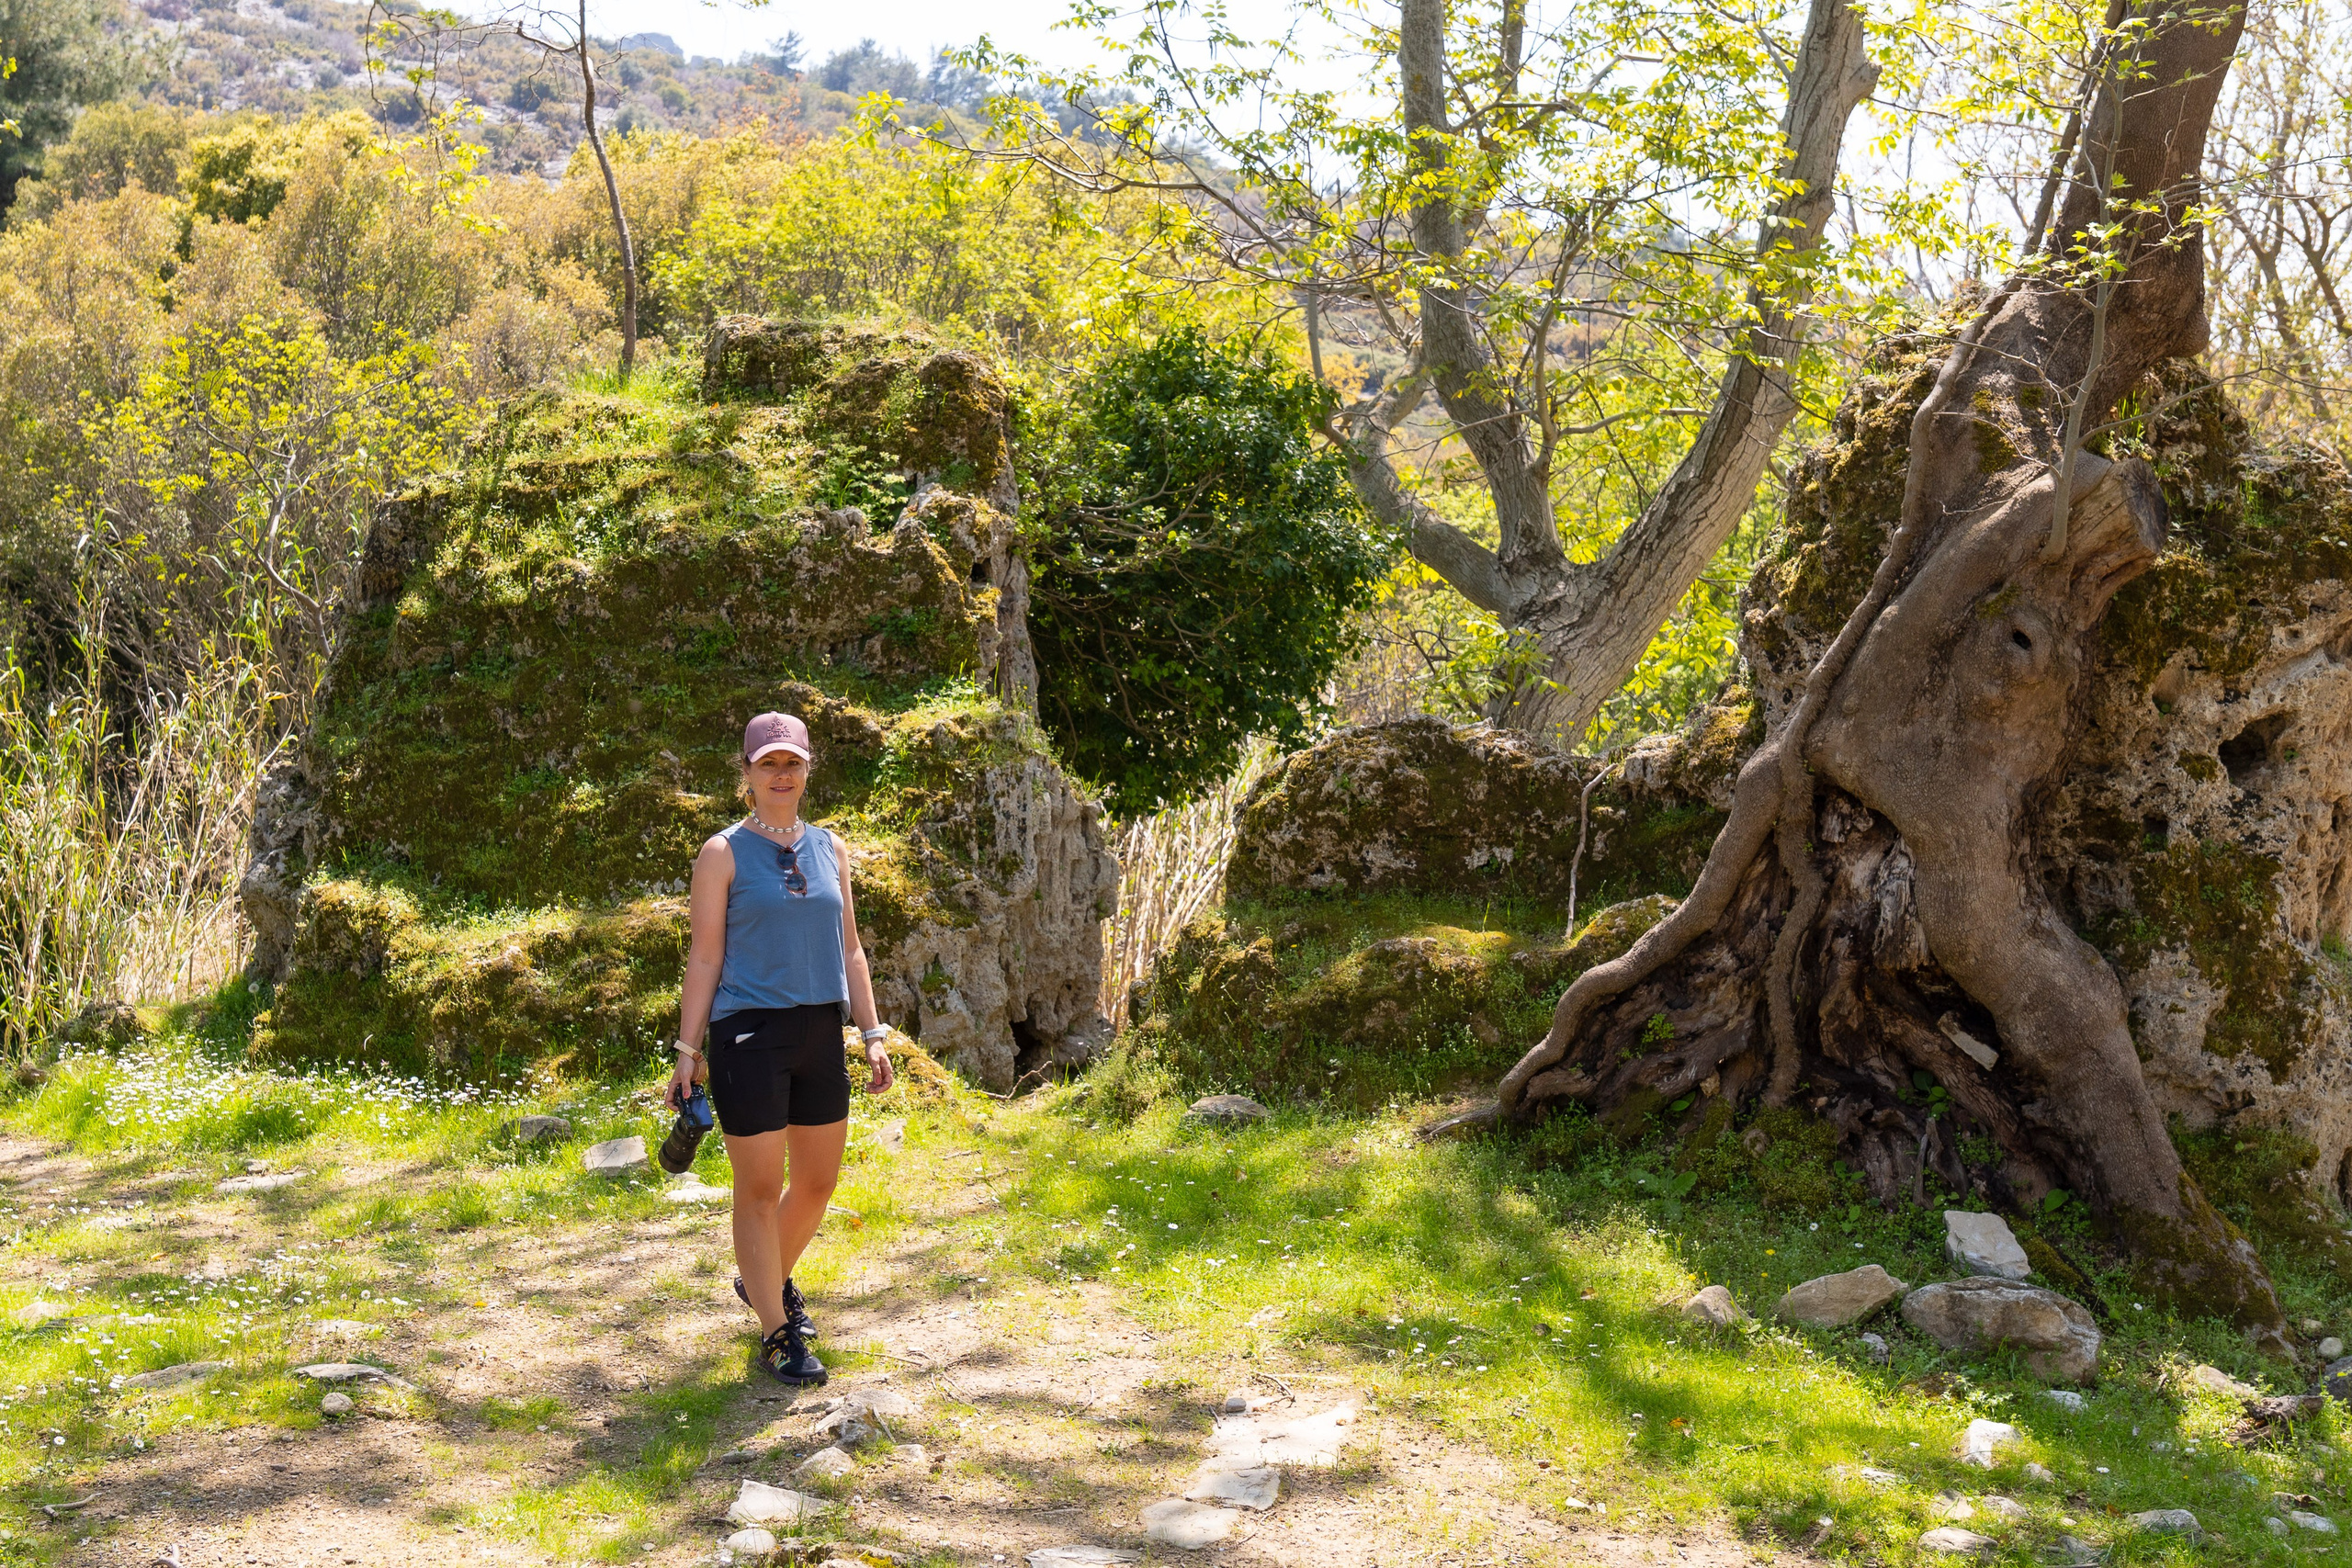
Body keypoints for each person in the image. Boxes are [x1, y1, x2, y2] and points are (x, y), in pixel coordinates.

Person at [671, 711, 895, 1385]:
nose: (780, 774)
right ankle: (777, 1331)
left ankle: (763, 1282)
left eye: (791, 762)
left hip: (821, 1030)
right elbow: (706, 955)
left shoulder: (832, 847)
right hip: (748, 1034)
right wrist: (688, 1049)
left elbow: (849, 946)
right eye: (767, 763)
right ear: (746, 773)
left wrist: (872, 1031)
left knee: (819, 1181)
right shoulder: (723, 852)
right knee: (761, 1187)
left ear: (807, 768)